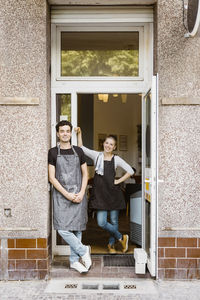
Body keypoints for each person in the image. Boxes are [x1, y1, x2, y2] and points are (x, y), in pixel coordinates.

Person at [75, 127, 134, 254]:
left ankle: (111, 245)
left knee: (113, 221)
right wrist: (80, 133)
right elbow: (81, 148)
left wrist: (118, 181)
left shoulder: (116, 159)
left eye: (111, 144)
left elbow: (130, 170)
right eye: (107, 143)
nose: (108, 145)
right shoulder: (97, 156)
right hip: (100, 194)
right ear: (104, 143)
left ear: (114, 147)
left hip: (113, 194)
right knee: (101, 222)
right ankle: (121, 237)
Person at [48, 120, 92, 274]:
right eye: (62, 131)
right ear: (58, 133)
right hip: (61, 196)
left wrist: (81, 193)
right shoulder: (53, 152)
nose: (65, 133)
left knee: (77, 227)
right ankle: (83, 250)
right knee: (62, 229)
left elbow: (85, 174)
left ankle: (74, 261)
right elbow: (52, 178)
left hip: (78, 193)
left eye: (68, 131)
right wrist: (67, 194)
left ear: (71, 132)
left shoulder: (79, 151)